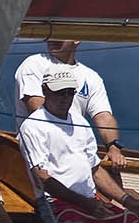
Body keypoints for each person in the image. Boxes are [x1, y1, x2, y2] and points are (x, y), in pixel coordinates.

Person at [18, 65, 139, 223]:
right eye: (60, 92)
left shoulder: (79, 121)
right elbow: (42, 178)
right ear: (45, 90)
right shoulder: (33, 127)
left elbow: (94, 169)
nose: (66, 98)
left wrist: (127, 200)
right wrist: (85, 204)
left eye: (70, 93)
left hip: (89, 201)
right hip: (55, 203)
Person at [15, 39, 125, 174]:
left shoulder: (91, 77)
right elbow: (36, 107)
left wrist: (113, 147)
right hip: (41, 149)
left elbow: (103, 115)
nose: (52, 38)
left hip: (76, 152)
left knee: (114, 179)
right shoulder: (34, 64)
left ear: (76, 39)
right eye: (51, 32)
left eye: (59, 33)